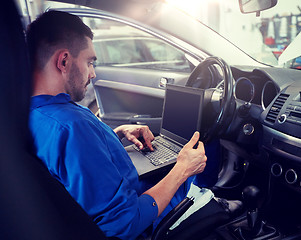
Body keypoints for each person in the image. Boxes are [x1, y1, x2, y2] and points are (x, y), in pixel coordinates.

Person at [27, 10, 240, 240]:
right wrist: (182, 170)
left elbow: (76, 162)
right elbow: (125, 224)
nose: (93, 73)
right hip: (145, 220)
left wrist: (115, 135)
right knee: (205, 148)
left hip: (125, 191)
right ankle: (208, 200)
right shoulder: (72, 128)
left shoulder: (33, 113)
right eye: (89, 62)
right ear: (64, 60)